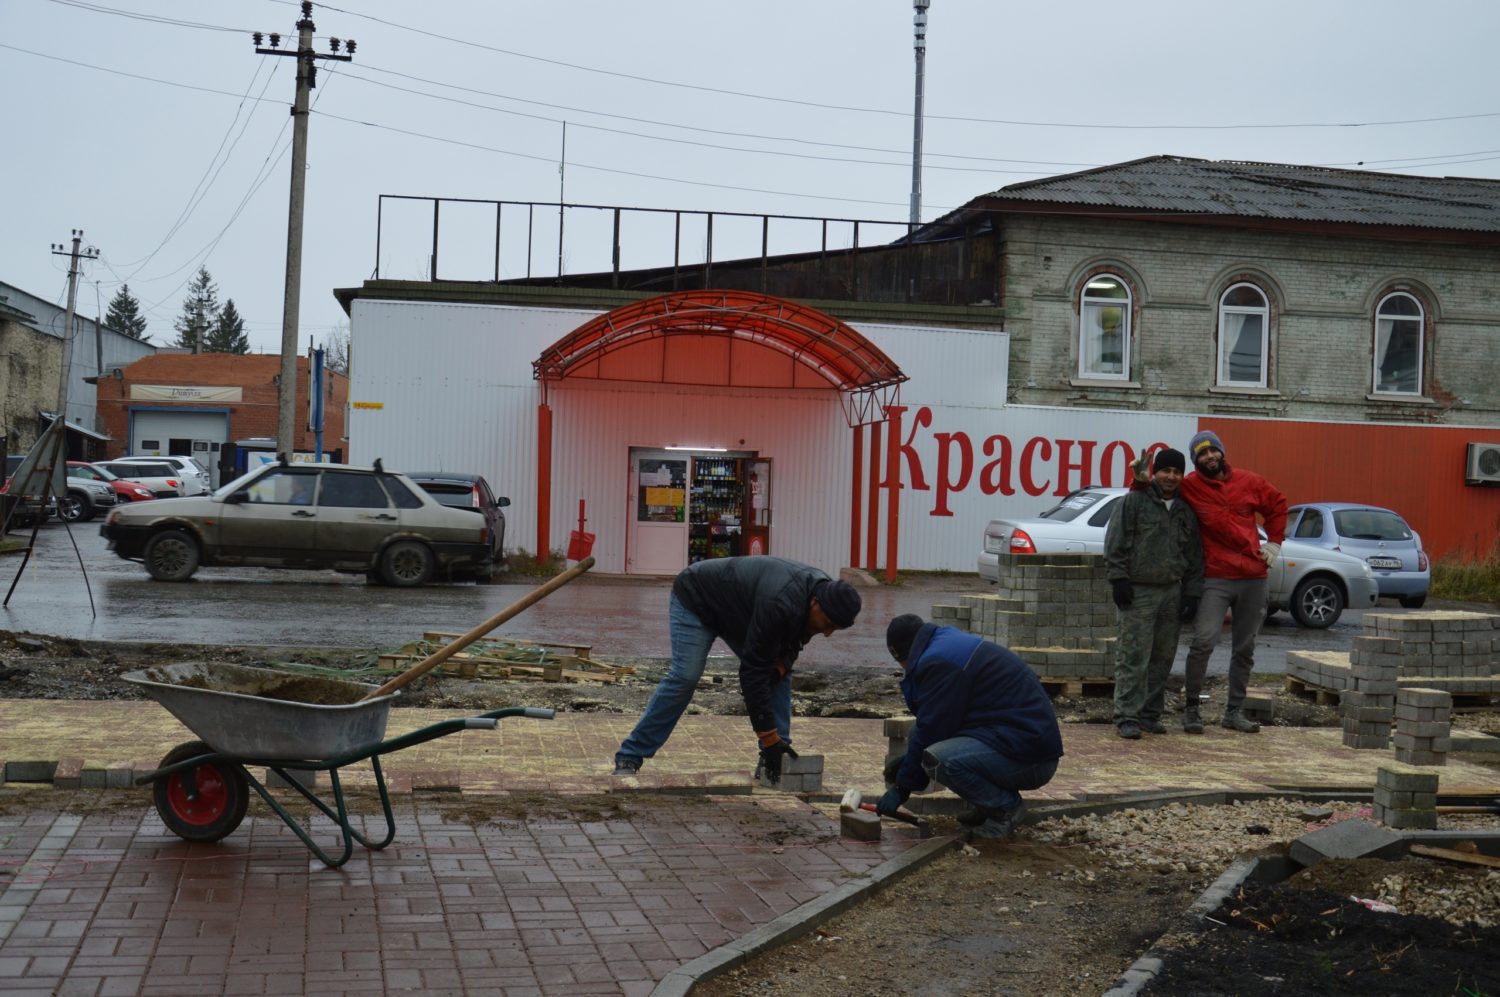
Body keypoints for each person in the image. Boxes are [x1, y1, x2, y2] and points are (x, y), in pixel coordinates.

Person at [612, 556, 861, 783]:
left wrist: (781, 666)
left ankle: (775, 757)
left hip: (741, 614)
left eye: (834, 629)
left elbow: (794, 639)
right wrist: (767, 735)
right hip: (697, 599)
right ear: (815, 603)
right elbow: (751, 673)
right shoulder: (781, 603)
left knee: (780, 672)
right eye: (827, 624)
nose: (827, 633)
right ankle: (630, 755)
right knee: (685, 677)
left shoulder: (820, 595)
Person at [1136, 429, 1287, 734]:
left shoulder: (1249, 481)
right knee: (1203, 642)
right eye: (1201, 454)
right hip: (1216, 576)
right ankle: (1192, 710)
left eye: (1212, 451)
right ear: (1195, 461)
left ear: (1221, 452)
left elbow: (1277, 504)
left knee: (1245, 648)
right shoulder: (1189, 486)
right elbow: (1155, 496)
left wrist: (1275, 542)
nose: (1209, 457)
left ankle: (1234, 711)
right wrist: (1139, 481)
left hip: (1253, 577)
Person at [877, 614, 1063, 840]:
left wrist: (902, 787)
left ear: (903, 654)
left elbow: (933, 728)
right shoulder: (943, 643)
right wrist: (909, 761)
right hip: (1016, 740)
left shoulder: (938, 662)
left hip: (1031, 758)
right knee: (919, 735)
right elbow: (937, 722)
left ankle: (1005, 809)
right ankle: (987, 804)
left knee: (939, 759)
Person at [1104, 448, 1204, 740]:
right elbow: (1115, 542)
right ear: (1155, 473)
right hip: (1139, 592)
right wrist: (1119, 580)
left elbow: (1195, 556)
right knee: (1133, 655)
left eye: (1176, 472)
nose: (1171, 477)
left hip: (1171, 592)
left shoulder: (1186, 512)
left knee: (1162, 657)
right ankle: (1127, 715)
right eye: (1165, 471)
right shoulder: (1134, 502)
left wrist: (1192, 593)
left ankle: (1150, 714)